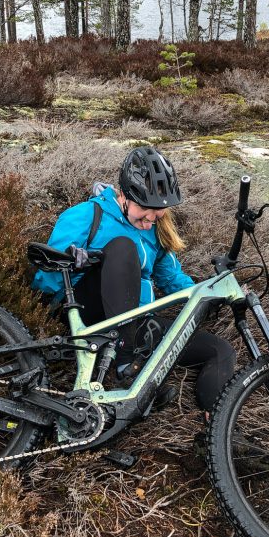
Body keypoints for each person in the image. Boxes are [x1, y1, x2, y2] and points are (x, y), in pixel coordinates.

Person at [31, 146, 236, 412]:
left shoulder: (154, 228)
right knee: (122, 248)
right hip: (88, 316)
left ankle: (218, 428)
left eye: (158, 210)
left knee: (220, 351)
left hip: (138, 323)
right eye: (145, 209)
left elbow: (171, 278)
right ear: (125, 195)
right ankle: (127, 364)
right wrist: (73, 265)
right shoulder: (85, 217)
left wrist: (208, 292)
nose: (151, 218)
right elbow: (43, 282)